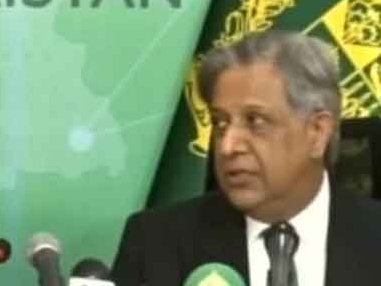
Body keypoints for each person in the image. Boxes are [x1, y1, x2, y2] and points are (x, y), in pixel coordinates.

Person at [111, 30, 381, 286]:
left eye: (255, 121)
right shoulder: (154, 243)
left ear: (317, 132)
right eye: (220, 123)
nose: (227, 146)